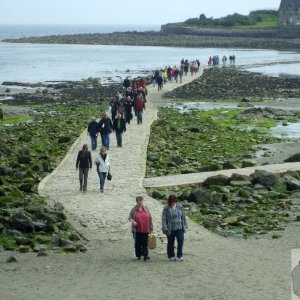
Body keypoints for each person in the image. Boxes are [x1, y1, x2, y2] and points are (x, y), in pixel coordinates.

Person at [162, 195, 188, 261]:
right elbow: (164, 218)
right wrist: (165, 227)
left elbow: (183, 216)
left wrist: (185, 224)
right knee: (170, 242)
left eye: (174, 201)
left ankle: (179, 255)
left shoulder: (180, 206)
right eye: (172, 201)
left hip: (179, 227)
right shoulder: (166, 208)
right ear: (169, 201)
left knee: (180, 241)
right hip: (170, 228)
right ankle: (171, 256)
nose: (173, 202)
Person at [129, 196, 153, 261]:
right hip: (137, 229)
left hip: (145, 228)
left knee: (145, 243)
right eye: (139, 202)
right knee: (137, 243)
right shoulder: (134, 209)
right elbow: (130, 218)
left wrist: (151, 227)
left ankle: (145, 255)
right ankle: (138, 255)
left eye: (141, 202)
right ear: (137, 202)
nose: (140, 204)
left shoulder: (146, 208)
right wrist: (133, 221)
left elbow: (150, 218)